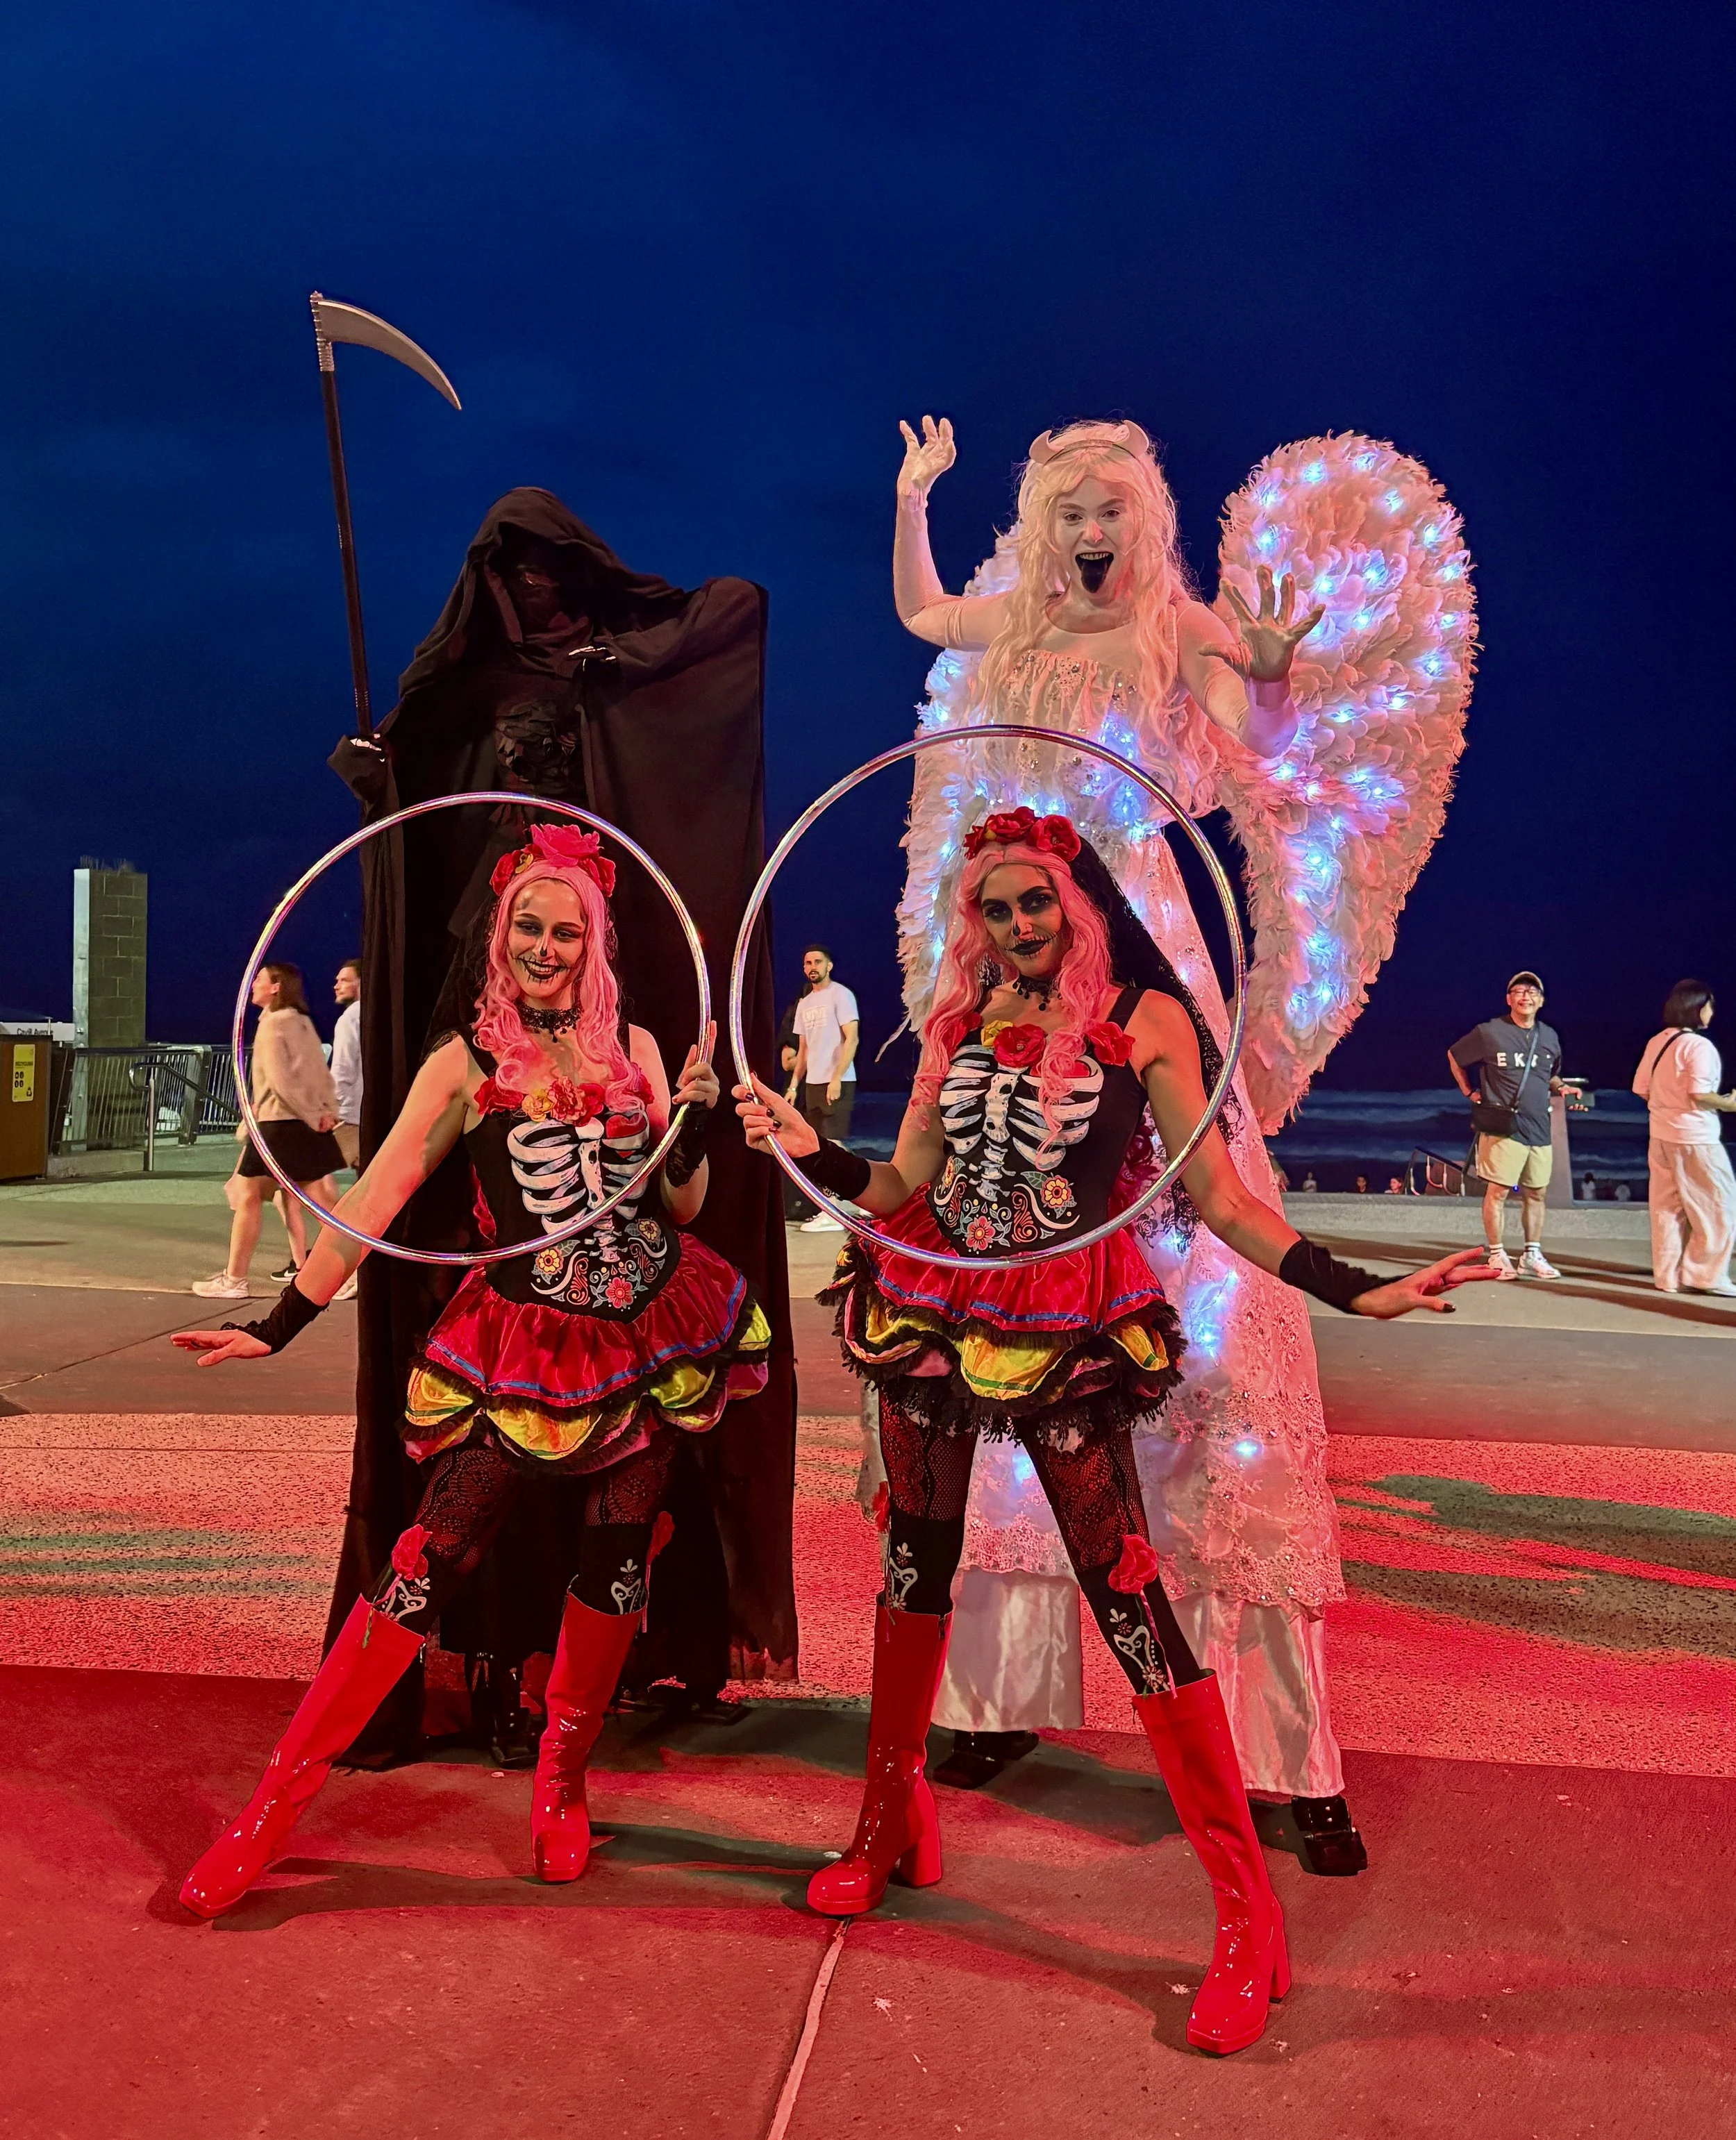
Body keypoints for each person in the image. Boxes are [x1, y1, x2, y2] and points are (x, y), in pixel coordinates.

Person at [737, 811, 1492, 2056]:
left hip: (1068, 1320)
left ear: (1078, 901)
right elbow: (900, 1185)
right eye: (997, 908)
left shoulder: (1146, 1019)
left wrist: (1357, 1284)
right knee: (912, 1568)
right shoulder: (956, 1023)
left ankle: (1249, 1918)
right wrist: (808, 1142)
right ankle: (885, 1824)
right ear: (971, 919)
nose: (1019, 926)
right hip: (930, 1300)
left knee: (1132, 1597)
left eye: (1039, 902)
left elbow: (1218, 1197)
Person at [876, 415, 1483, 1871]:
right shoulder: (1012, 625)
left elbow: (1253, 744)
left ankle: (1281, 1748)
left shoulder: (1173, 623)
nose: (1088, 526)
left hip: (1139, 943)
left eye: (1108, 507)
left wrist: (1269, 675)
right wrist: (912, 497)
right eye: (1064, 506)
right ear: (1039, 521)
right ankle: (995, 1691)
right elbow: (913, 608)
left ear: (1141, 525)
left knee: (1212, 1325)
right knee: (1007, 1291)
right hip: (1021, 950)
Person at [170, 826, 770, 1916]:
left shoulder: (634, 1041)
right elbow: (376, 1196)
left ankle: (562, 1780)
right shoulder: (467, 1061)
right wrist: (282, 1318)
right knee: (420, 1558)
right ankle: (269, 1814)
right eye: (531, 927)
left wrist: (688, 1121)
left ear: (597, 942)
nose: (549, 946)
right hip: (527, 1337)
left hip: (646, 1333)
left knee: (617, 1558)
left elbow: (675, 1206)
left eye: (568, 929)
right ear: (503, 937)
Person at [325, 487, 799, 1752]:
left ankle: (579, 1680)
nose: (532, 591)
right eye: (511, 570)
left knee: (622, 1428)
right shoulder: (460, 694)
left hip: (600, 985)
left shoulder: (608, 672)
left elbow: (735, 611)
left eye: (552, 569)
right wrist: (382, 781)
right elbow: (421, 834)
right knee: (471, 1384)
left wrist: (615, 662)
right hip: (484, 996)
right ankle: (479, 1650)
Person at [193, 963, 342, 1301]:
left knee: (248, 1196)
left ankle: (235, 1279)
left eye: (259, 980)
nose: (253, 986)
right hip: (297, 1125)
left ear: (276, 987)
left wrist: (306, 1115)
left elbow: (279, 1082)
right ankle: (357, 1268)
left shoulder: (273, 1025)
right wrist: (325, 1112)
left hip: (279, 1127)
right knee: (322, 1203)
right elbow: (318, 1072)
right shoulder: (301, 1022)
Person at [1449, 972, 1569, 1279]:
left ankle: (1531, 1254)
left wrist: (1562, 1088)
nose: (1525, 996)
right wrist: (1469, 1092)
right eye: (1519, 991)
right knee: (1498, 1192)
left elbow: (1547, 1074)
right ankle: (1497, 1255)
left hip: (1539, 1128)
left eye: (1532, 992)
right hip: (1504, 1126)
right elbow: (1455, 1056)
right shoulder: (1490, 1032)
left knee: (1537, 1193)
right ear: (1509, 999)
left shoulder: (1550, 1037)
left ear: (1541, 1001)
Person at [1633, 980, 1736, 1296]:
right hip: (1696, 1138)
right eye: (1709, 1005)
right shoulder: (1698, 1046)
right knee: (1718, 1206)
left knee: (1667, 1208)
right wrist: (1729, 1103)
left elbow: (1641, 1088)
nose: (1712, 1012)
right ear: (1696, 1007)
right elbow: (1701, 1094)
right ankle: (1705, 1276)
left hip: (1661, 1135)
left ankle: (1668, 1277)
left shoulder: (1658, 1042)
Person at [789, 944, 859, 1235]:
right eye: (807, 963)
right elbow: (803, 1050)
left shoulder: (841, 995)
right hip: (813, 1083)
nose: (812, 966)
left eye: (818, 961)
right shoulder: (805, 1004)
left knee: (830, 1143)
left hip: (836, 1081)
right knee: (821, 1143)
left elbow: (852, 1038)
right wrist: (794, 1085)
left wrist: (837, 1077)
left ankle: (834, 1209)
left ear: (829, 965)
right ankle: (857, 1196)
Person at [331, 957, 363, 1169]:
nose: (336, 986)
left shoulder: (350, 1018)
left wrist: (336, 1109)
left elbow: (343, 1068)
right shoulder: (382, 1013)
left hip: (352, 1115)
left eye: (344, 981)